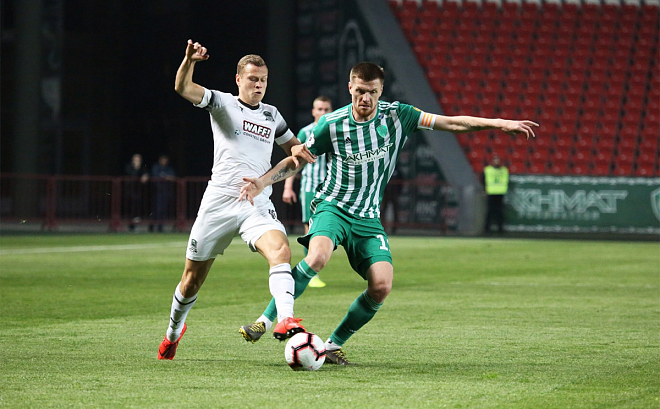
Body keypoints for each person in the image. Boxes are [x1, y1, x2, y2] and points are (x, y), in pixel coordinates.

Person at [238, 62, 538, 365]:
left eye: (372, 92)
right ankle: (266, 320)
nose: (365, 98)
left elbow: (452, 123)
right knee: (317, 257)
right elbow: (297, 160)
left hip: (368, 217)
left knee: (381, 286)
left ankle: (331, 346)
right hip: (333, 206)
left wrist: (499, 123)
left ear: (381, 91)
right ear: (350, 88)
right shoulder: (331, 123)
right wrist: (263, 182)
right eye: (360, 91)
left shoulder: (399, 115)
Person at [157, 39, 315, 360]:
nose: (259, 85)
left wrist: (289, 159)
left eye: (264, 80)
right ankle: (173, 332)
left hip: (256, 202)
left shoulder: (272, 116)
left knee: (281, 250)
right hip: (219, 202)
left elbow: (295, 155)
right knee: (191, 281)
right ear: (238, 79)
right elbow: (183, 88)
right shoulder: (222, 103)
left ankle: (286, 318)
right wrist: (189, 61)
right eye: (253, 79)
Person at [282, 96, 333, 288]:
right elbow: (294, 161)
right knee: (310, 231)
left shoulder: (335, 130)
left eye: (326, 109)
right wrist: (288, 187)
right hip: (310, 188)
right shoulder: (305, 132)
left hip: (330, 190)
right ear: (313, 111)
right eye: (319, 109)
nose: (323, 113)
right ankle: (310, 275)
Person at [150, 154, 176, 233]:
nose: (164, 161)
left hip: (166, 191)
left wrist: (166, 177)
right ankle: (152, 226)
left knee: (163, 209)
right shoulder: (156, 167)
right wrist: (165, 178)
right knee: (156, 209)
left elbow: (173, 177)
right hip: (157, 191)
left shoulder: (168, 169)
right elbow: (155, 176)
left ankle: (160, 227)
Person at [483, 154, 509, 234]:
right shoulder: (488, 170)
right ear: (492, 161)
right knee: (490, 211)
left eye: (498, 160)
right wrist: (485, 188)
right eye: (495, 160)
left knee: (499, 212)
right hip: (491, 192)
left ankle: (500, 229)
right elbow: (483, 179)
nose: (496, 162)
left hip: (500, 192)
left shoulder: (504, 170)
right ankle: (487, 229)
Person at [124, 153, 149, 232]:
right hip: (129, 189)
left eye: (139, 160)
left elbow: (146, 173)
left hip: (138, 190)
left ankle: (135, 223)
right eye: (136, 159)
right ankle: (131, 226)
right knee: (130, 207)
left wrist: (145, 176)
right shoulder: (129, 167)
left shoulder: (142, 167)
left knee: (137, 205)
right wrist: (136, 168)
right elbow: (131, 174)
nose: (137, 161)